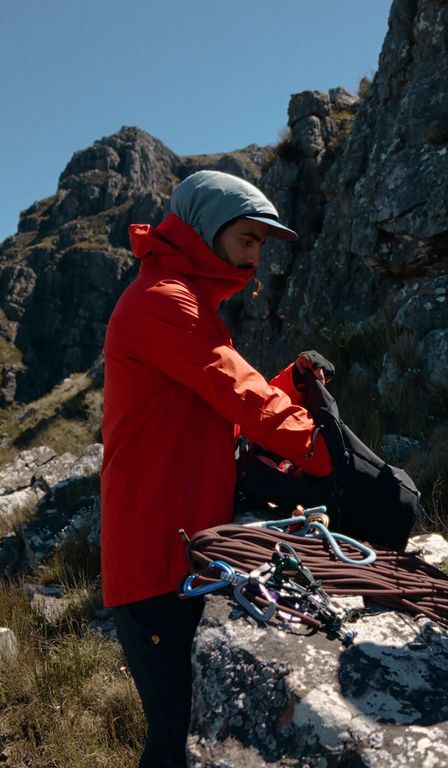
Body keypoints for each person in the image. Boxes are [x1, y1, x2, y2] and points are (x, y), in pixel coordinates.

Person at [100, 170, 335, 767]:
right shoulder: (164, 299)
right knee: (173, 738)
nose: (257, 257)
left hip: (181, 546)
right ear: (208, 230)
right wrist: (321, 450)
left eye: (262, 243)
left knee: (186, 730)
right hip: (154, 561)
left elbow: (218, 404)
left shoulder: (183, 296)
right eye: (248, 240)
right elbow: (235, 391)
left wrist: (292, 387)